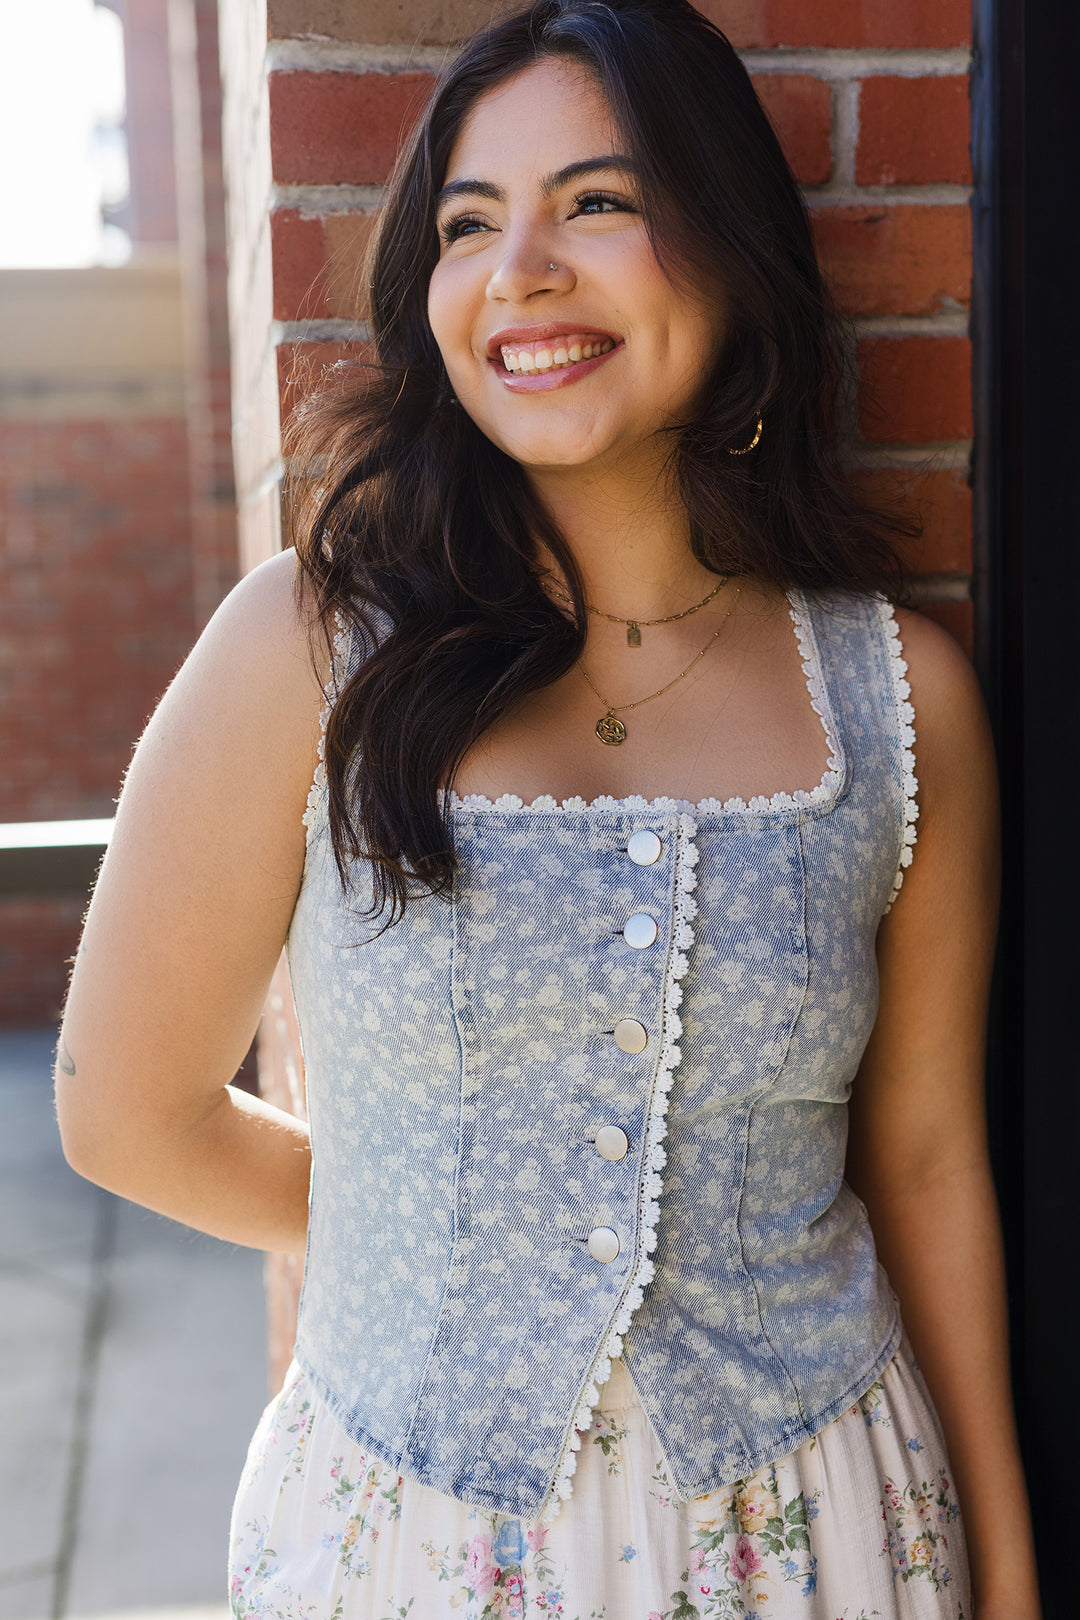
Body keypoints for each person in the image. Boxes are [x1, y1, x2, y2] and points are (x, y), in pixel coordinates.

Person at [55, 1, 1039, 1615]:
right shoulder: (310, 649)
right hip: (410, 1546)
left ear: (727, 248)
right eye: (468, 222)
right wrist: (420, 1226)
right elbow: (121, 1107)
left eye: (598, 201)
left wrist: (1002, 1569)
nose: (520, 269)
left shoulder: (897, 700)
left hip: (822, 1536)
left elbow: (926, 1161)